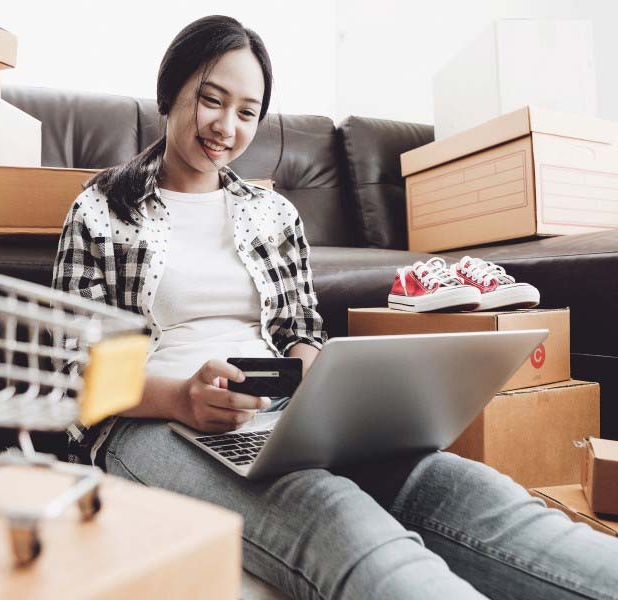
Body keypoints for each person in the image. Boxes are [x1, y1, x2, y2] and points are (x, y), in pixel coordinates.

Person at [53, 15, 618, 600]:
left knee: (470, 492)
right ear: (170, 92)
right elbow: (74, 370)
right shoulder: (101, 209)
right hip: (150, 423)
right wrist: (182, 398)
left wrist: (317, 376)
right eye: (211, 100)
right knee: (334, 517)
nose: (226, 127)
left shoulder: (274, 215)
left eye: (247, 113)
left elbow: (300, 330)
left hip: (282, 416)